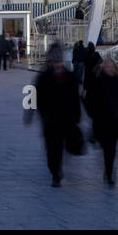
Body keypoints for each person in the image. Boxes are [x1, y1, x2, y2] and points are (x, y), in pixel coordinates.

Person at [35, 45, 82, 187]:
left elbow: (75, 98)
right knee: (51, 148)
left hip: (65, 120)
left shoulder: (69, 77)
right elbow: (38, 98)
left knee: (59, 148)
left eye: (59, 61)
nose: (57, 64)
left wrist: (76, 116)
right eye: (55, 61)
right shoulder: (44, 78)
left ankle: (57, 172)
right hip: (50, 120)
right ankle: (55, 172)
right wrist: (41, 114)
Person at [83, 56, 118, 185]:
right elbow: (88, 100)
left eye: (111, 66)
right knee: (106, 147)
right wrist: (92, 113)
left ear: (115, 69)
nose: (109, 68)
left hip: (113, 122)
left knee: (111, 149)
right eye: (107, 66)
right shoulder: (97, 82)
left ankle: (109, 173)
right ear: (103, 68)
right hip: (101, 121)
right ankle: (108, 169)